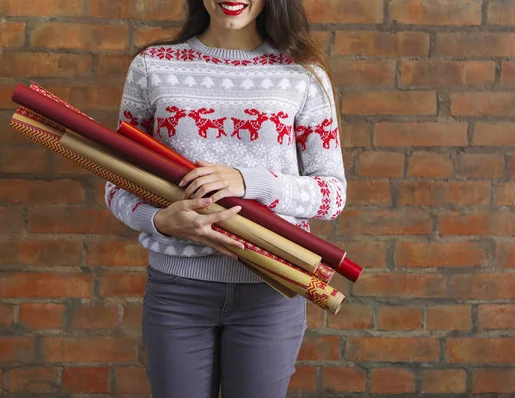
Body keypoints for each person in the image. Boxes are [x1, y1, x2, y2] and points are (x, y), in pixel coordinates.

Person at [105, 0, 347, 397]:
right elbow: (116, 183)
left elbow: (331, 195)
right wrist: (162, 221)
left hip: (271, 292)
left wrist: (248, 181)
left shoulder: (303, 75)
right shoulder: (153, 67)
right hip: (177, 291)